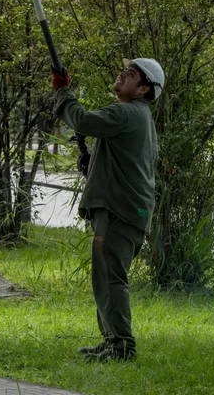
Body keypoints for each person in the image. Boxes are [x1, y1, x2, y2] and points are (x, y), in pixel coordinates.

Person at [52, 57, 163, 363]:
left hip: (120, 210)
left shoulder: (127, 112)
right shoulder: (137, 115)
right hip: (126, 209)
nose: (122, 74)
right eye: (123, 70)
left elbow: (83, 121)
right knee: (106, 276)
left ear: (143, 89)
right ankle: (112, 340)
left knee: (111, 277)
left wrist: (63, 92)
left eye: (131, 74)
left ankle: (121, 347)